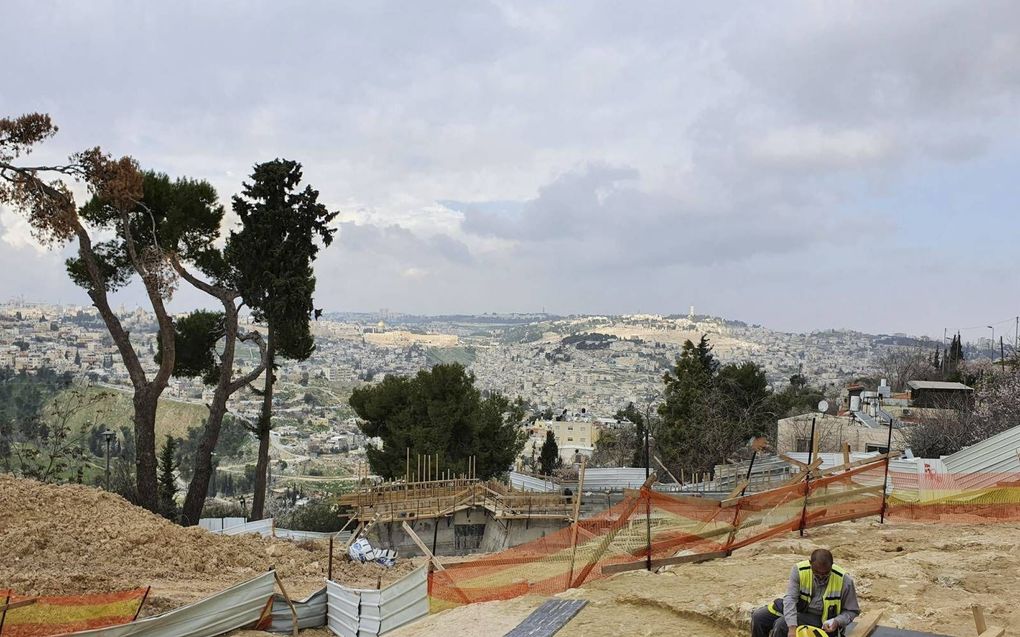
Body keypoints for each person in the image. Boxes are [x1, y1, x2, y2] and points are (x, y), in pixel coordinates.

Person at [750, 549, 860, 637]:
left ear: (832, 566)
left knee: (782, 624)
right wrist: (793, 628)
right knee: (759, 617)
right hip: (800, 608)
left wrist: (837, 621)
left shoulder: (844, 580)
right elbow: (791, 599)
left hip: (820, 618)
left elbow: (852, 611)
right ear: (810, 565)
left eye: (826, 574)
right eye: (817, 574)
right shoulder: (799, 570)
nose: (821, 578)